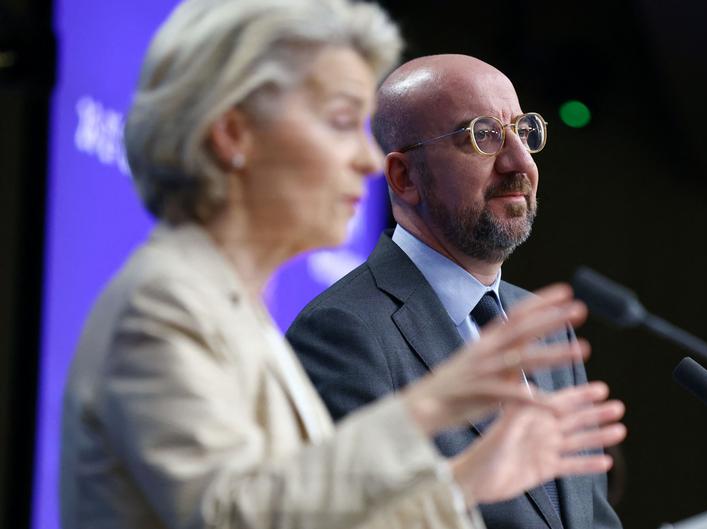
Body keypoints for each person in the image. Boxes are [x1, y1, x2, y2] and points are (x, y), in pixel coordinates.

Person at [57, 2, 628, 528]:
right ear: (234, 135)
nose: (363, 160)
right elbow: (232, 518)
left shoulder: (232, 313)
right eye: (338, 122)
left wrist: (463, 484)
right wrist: (429, 407)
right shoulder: (163, 305)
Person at [286, 54, 624, 529]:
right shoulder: (343, 331)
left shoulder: (544, 327)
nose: (520, 162)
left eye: (524, 132)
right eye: (482, 136)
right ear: (404, 177)